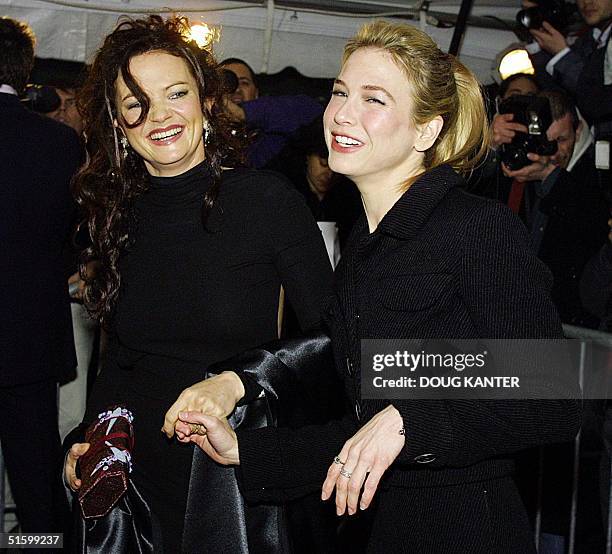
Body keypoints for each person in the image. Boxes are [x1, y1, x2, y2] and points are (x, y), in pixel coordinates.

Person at [175, 21, 582, 553]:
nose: (342, 113)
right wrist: (249, 453)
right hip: (383, 526)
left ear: (425, 132)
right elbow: (365, 430)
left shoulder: (473, 227)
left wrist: (411, 420)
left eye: (374, 99)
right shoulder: (366, 246)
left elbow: (552, 393)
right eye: (340, 93)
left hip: (465, 529)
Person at [63, 15, 332, 552]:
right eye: (135, 102)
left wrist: (239, 379)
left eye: (175, 93)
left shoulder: (265, 200)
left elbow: (333, 333)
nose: (157, 115)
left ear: (206, 102)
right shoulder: (118, 216)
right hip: (136, 484)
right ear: (118, 122)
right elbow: (119, 361)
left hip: (227, 474)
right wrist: (84, 440)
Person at [0, 16, 81, 535]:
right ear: (25, 69)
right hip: (28, 336)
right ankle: (40, 547)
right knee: (35, 482)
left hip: (28, 333)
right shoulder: (60, 144)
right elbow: (75, 238)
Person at [219, 57, 324, 169]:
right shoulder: (203, 128)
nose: (236, 90)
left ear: (256, 93)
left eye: (244, 83)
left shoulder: (269, 135)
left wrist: (243, 113)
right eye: (227, 83)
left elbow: (310, 110)